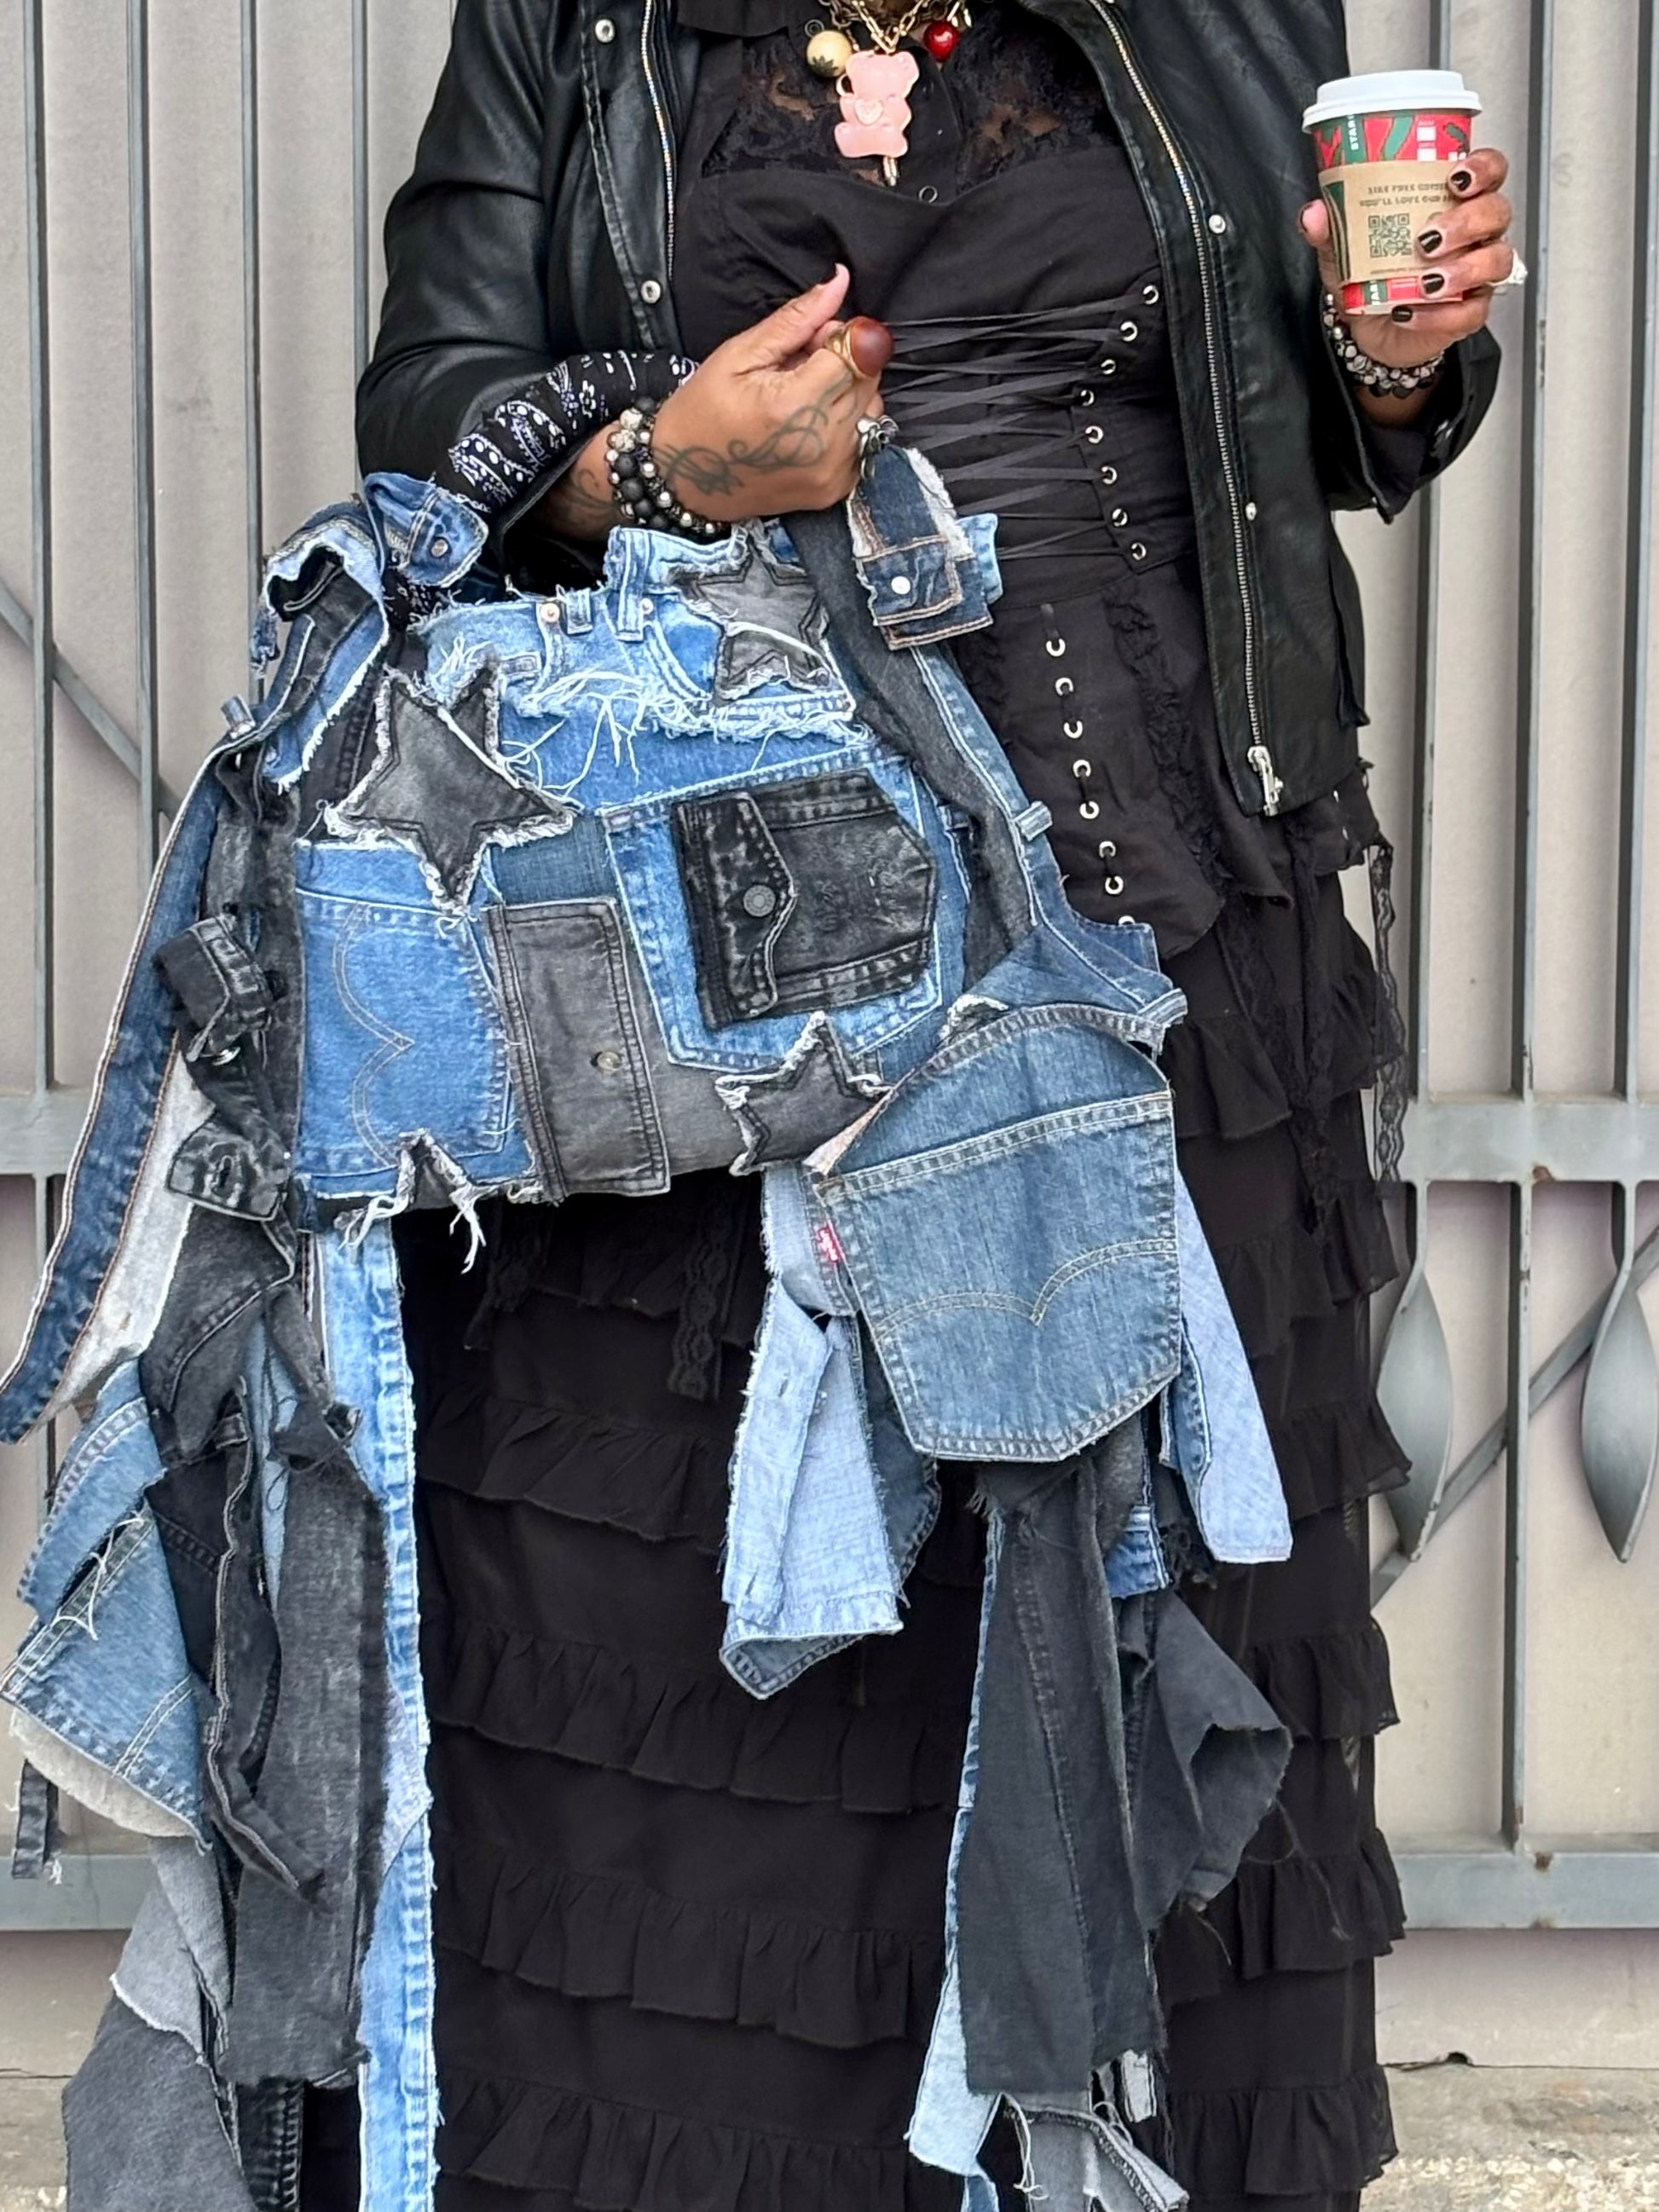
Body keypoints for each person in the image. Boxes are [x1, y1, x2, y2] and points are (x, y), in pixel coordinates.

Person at [349, 3, 1514, 2208]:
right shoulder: (573, 24)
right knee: (708, 1647)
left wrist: (1403, 349)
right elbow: (428, 409)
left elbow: (1330, 429)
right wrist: (651, 468)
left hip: (1160, 918)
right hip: (710, 942)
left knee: (1154, 1604)